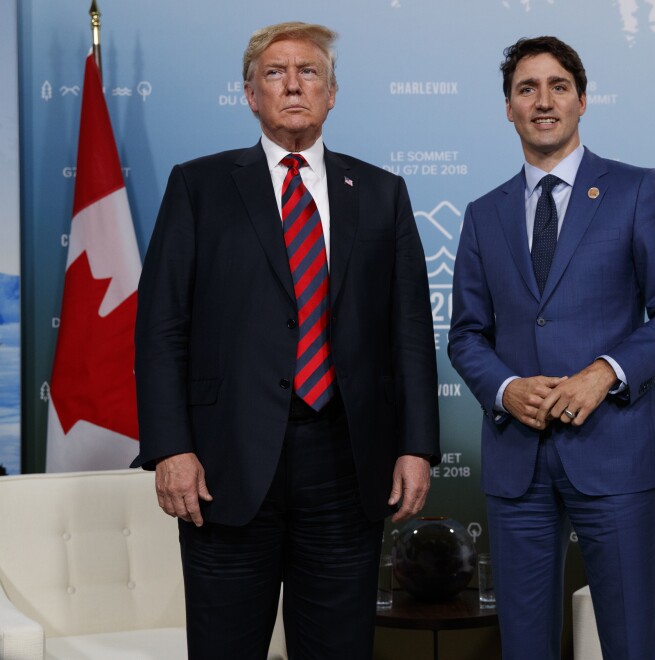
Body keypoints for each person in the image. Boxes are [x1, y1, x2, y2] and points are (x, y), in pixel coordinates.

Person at [132, 21, 440, 660]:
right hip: (224, 465)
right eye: (275, 73)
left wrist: (416, 448)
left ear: (332, 94)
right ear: (249, 94)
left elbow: (409, 332)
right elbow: (161, 327)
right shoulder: (200, 186)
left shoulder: (382, 193)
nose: (293, 84)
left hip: (346, 463)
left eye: (309, 73)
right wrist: (169, 448)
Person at [448, 36, 655, 659]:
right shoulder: (483, 214)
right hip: (518, 461)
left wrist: (607, 372)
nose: (543, 101)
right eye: (526, 88)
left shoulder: (638, 190)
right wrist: (506, 389)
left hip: (613, 450)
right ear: (507, 107)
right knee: (525, 647)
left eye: (558, 86)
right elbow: (466, 335)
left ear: (582, 101)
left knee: (632, 643)